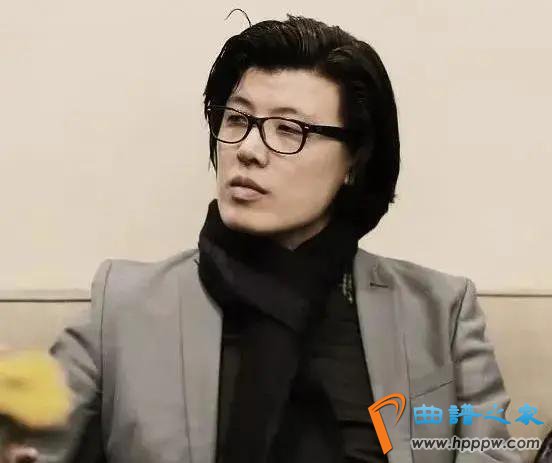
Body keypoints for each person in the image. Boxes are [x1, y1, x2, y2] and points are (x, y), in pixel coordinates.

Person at [4, 15, 520, 463]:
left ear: (354, 162)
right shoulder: (123, 307)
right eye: (237, 119)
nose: (248, 149)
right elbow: (31, 443)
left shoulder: (440, 313)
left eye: (289, 130)